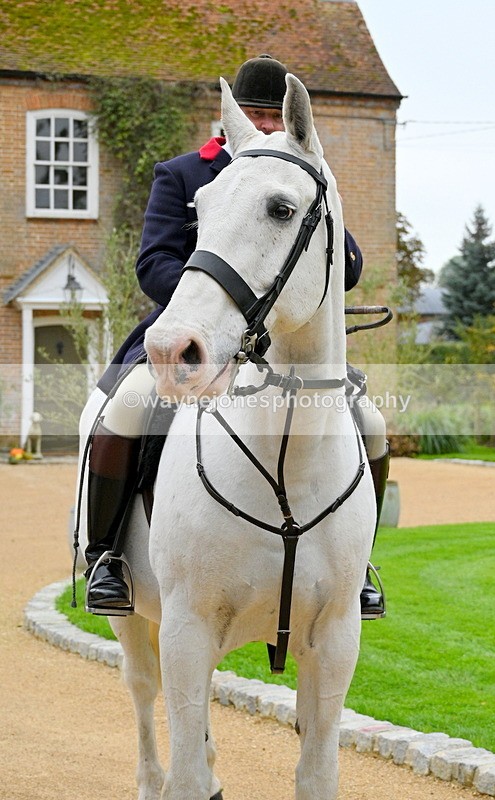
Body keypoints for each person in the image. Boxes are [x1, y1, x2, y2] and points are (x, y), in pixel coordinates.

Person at [84, 54, 389, 621]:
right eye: (254, 115)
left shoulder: (301, 176)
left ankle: (358, 566)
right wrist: (218, 304)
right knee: (127, 406)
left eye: (273, 116)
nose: (266, 126)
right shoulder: (184, 174)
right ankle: (106, 555)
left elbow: (343, 270)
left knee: (369, 422)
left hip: (288, 345)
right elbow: (153, 263)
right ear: (230, 119)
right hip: (195, 331)